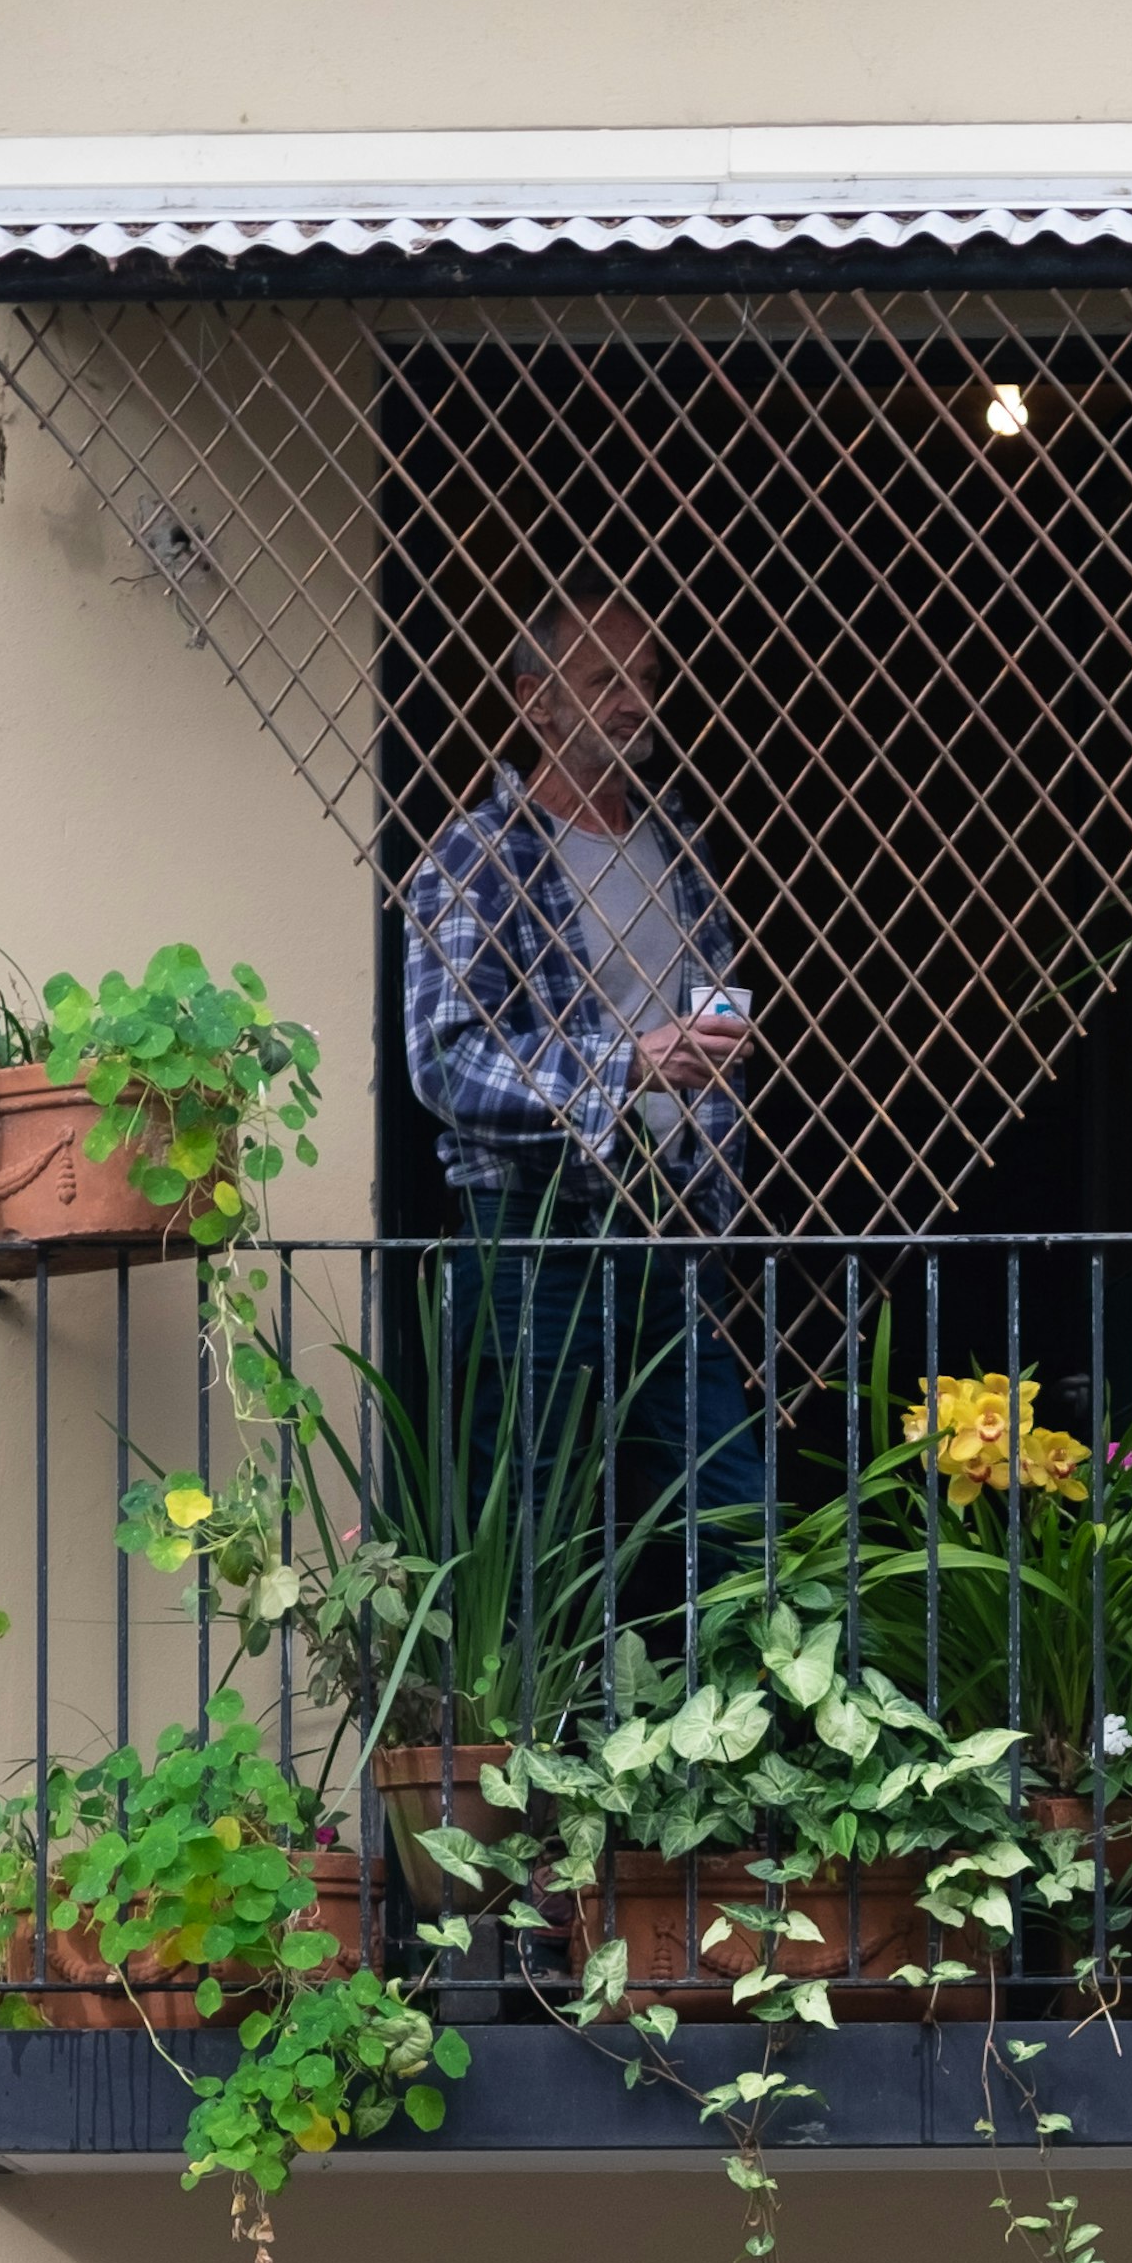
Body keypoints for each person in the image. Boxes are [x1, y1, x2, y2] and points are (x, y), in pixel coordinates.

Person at [398, 590, 763, 1619]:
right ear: (535, 700)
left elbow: (705, 1010)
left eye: (645, 680)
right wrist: (623, 1069)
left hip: (673, 1225)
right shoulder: (479, 856)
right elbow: (445, 1062)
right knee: (529, 1528)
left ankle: (751, 1759)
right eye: (606, 680)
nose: (634, 702)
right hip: (533, 1237)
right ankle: (526, 1765)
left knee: (734, 1521)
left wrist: (707, 1084)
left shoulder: (676, 844)